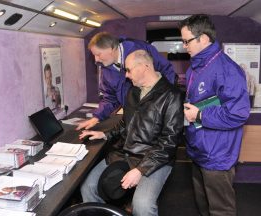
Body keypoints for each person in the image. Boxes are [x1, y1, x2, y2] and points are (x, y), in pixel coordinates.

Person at [79, 50, 184, 216]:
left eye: (128, 70)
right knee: (88, 187)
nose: (126, 76)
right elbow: (125, 123)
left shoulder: (172, 96)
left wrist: (141, 170)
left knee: (142, 206)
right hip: (124, 153)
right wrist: (105, 135)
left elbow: (169, 143)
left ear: (144, 67)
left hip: (154, 160)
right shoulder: (132, 91)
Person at [179, 14, 250, 216]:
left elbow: (238, 114)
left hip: (217, 154)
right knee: (203, 205)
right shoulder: (196, 65)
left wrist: (199, 116)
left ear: (203, 38)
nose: (184, 46)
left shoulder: (228, 70)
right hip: (199, 149)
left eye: (186, 41)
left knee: (221, 210)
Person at [76, 32, 176, 130]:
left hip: (154, 115)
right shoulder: (106, 69)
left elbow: (167, 73)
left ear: (111, 48)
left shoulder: (140, 49)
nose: (96, 59)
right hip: (131, 118)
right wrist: (96, 117)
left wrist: (165, 104)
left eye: (98, 54)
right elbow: (110, 98)